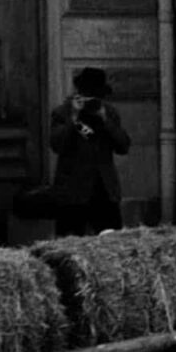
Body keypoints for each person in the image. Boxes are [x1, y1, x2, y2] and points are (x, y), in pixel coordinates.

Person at [49, 67, 131, 236]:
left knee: (110, 241)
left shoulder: (108, 113)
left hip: (103, 188)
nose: (91, 102)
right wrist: (74, 117)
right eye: (89, 97)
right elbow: (57, 144)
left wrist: (105, 120)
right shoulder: (62, 113)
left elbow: (123, 146)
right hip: (73, 190)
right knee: (70, 240)